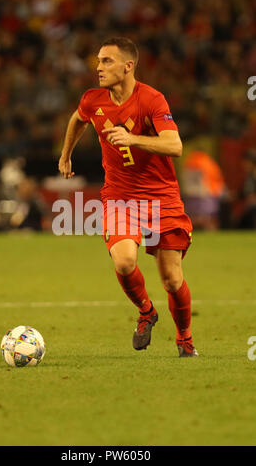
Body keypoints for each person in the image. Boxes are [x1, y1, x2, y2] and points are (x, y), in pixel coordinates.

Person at [58, 37, 198, 357]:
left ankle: (185, 340)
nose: (98, 67)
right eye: (98, 61)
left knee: (173, 280)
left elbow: (175, 146)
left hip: (162, 197)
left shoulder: (151, 99)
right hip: (121, 197)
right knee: (123, 261)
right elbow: (78, 119)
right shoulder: (93, 100)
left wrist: (132, 138)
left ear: (128, 65)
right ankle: (147, 311)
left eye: (107, 61)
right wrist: (66, 155)